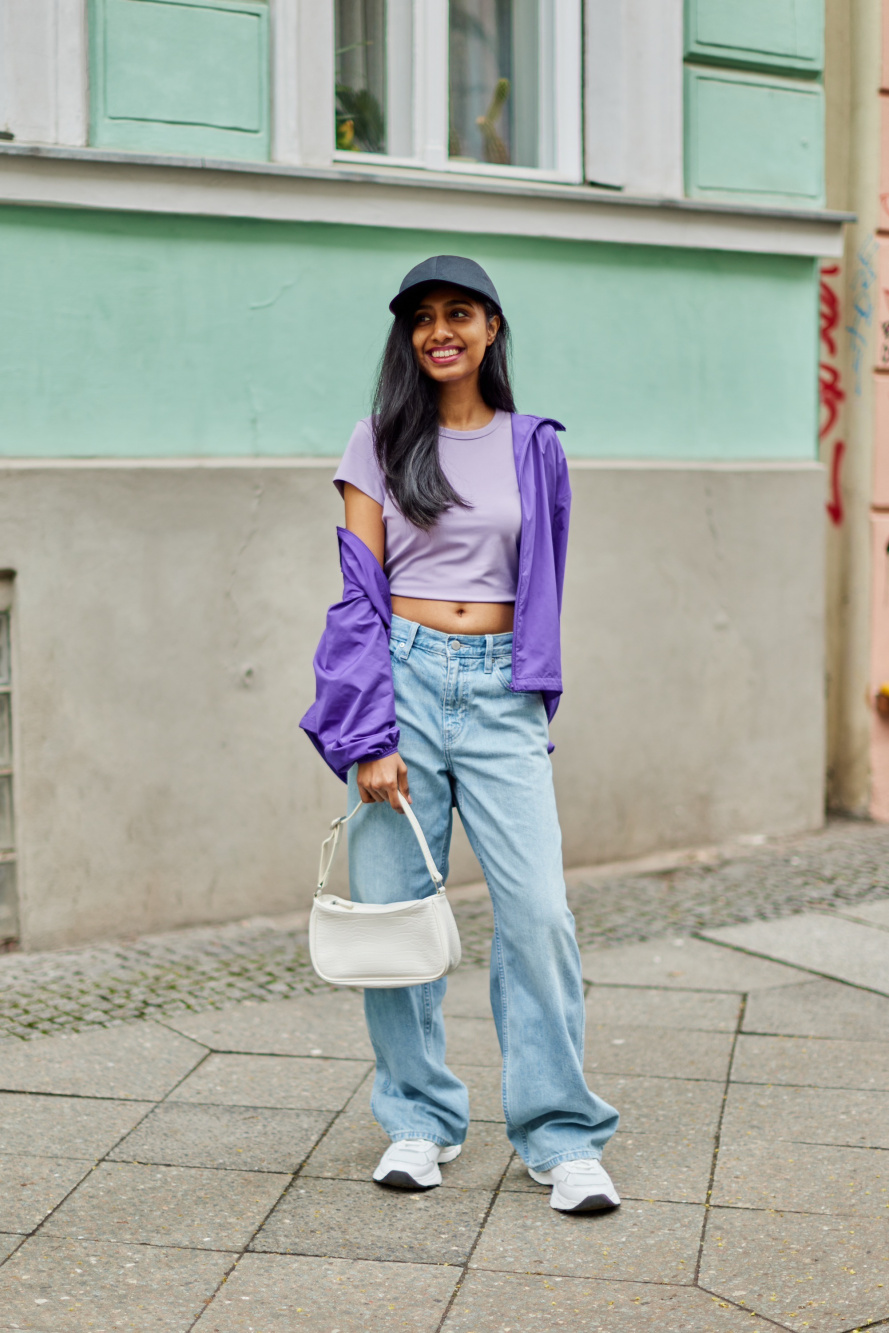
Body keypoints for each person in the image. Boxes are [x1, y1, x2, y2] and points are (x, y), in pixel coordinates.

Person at [301, 255, 620, 1212]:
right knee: (395, 911)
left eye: (460, 315)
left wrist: (525, 696)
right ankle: (416, 1120)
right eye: (423, 318)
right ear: (408, 336)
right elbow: (358, 592)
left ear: (490, 329)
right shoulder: (377, 441)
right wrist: (366, 732)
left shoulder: (536, 446)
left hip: (498, 695)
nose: (440, 331)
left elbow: (545, 583)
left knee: (538, 914)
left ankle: (561, 1134)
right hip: (399, 677)